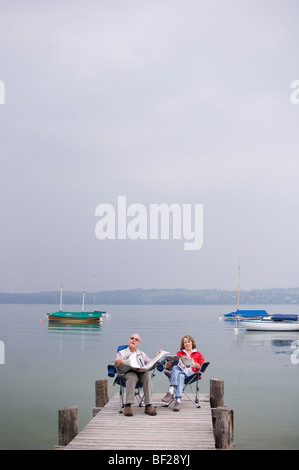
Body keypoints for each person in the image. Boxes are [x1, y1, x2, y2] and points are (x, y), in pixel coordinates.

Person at [114, 333, 158, 417]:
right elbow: (116, 361)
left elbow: (150, 362)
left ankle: (148, 405)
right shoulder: (121, 352)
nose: (133, 340)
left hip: (140, 373)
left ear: (138, 344)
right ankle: (128, 405)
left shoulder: (141, 354)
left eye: (136, 339)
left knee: (147, 375)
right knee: (132, 376)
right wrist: (118, 361)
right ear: (129, 340)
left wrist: (157, 357)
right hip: (127, 373)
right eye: (132, 338)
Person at [162, 334, 205, 411]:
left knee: (177, 370)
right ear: (183, 344)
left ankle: (171, 391)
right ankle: (178, 401)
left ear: (192, 343)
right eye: (185, 342)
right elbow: (174, 366)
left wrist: (199, 366)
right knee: (178, 371)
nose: (187, 344)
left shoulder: (198, 354)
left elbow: (203, 366)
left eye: (188, 342)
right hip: (181, 372)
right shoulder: (179, 353)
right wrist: (168, 366)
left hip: (191, 374)